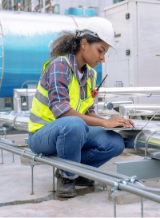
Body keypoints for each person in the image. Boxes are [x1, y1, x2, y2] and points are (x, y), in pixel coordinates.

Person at [28, 17, 135, 198]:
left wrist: (112, 122)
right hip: (42, 134)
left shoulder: (90, 75)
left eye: (105, 53)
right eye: (100, 50)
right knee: (74, 124)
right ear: (84, 43)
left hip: (71, 130)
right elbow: (62, 112)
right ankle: (67, 176)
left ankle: (78, 172)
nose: (102, 58)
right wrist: (104, 123)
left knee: (115, 142)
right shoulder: (60, 66)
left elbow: (88, 112)